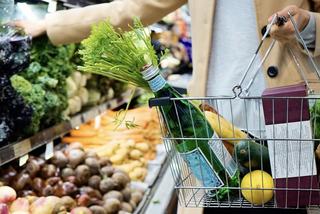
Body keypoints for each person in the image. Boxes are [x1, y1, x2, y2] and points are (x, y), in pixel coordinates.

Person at [12, 1, 320, 213]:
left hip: (290, 119)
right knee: (222, 200)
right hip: (213, 122)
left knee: (292, 202)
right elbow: (131, 9)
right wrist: (51, 24)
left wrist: (308, 25)